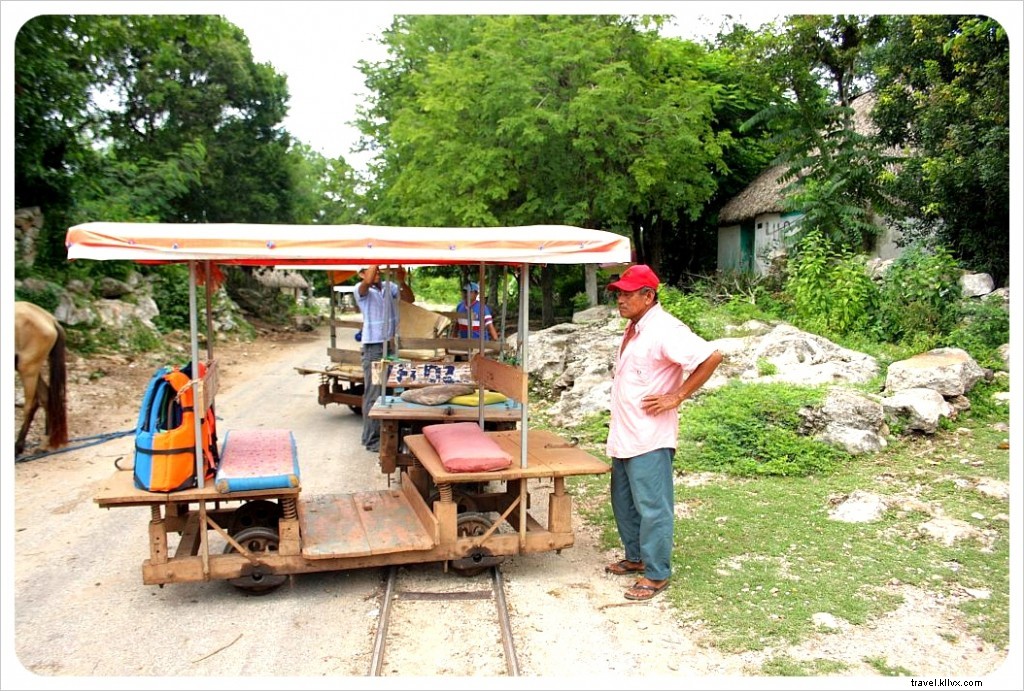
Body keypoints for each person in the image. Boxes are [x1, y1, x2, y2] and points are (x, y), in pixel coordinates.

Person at [604, 264, 722, 601]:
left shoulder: (665, 329)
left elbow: (711, 357)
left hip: (650, 437)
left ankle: (656, 574)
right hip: (625, 434)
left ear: (648, 296)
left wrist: (678, 396)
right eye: (619, 293)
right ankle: (636, 558)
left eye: (627, 293)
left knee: (653, 507)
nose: (620, 300)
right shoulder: (636, 328)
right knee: (624, 502)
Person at [355, 265, 414, 453]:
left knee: (389, 394)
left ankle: (383, 436)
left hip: (389, 346)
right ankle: (371, 440)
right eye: (373, 270)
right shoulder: (361, 290)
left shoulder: (390, 287)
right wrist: (378, 257)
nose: (377, 273)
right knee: (373, 394)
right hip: (373, 347)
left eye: (379, 270)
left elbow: (409, 300)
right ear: (362, 274)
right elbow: (368, 280)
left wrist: (402, 280)